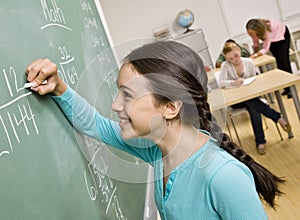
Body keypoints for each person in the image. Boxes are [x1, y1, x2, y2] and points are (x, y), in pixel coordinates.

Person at [25, 41, 284, 219]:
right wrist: (59, 88)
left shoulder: (224, 178)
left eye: (128, 96)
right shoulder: (159, 151)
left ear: (170, 108)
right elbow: (96, 125)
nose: (115, 105)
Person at [219, 41, 291, 155]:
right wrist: (233, 82)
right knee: (253, 104)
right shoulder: (225, 66)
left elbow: (254, 79)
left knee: (253, 107)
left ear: (239, 50)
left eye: (236, 56)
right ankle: (277, 118)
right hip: (237, 100)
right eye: (231, 59)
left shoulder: (248, 62)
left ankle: (260, 142)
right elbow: (221, 83)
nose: (234, 60)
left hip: (251, 96)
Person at [246, 18, 293, 98]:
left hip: (282, 34)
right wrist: (255, 52)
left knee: (284, 62)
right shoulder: (254, 33)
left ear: (257, 30)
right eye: (248, 32)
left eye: (251, 33)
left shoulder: (267, 30)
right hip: (273, 40)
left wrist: (255, 55)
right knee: (278, 62)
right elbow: (256, 43)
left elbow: (265, 49)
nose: (250, 34)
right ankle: (287, 88)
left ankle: (291, 89)